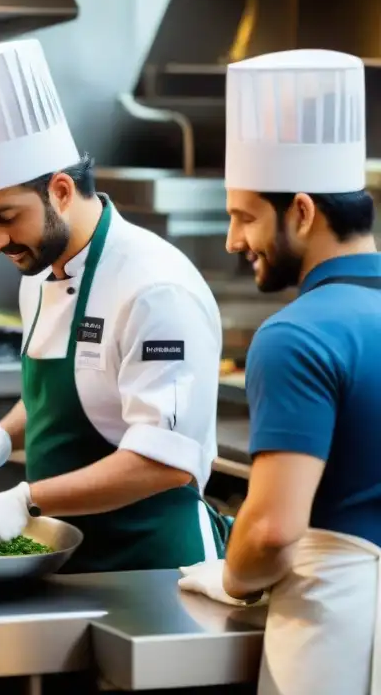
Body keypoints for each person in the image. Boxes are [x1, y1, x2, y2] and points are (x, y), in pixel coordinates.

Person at [0, 39, 228, 573]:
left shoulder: (155, 289)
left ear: (61, 191)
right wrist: (2, 435)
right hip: (64, 560)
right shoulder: (38, 270)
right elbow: (77, 392)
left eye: (6, 216)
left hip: (155, 569)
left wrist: (25, 499)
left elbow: (163, 463)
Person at [178, 50, 381, 695]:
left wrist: (229, 578)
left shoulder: (296, 335)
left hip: (335, 630)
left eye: (244, 216)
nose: (233, 240)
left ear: (300, 210)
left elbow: (269, 530)